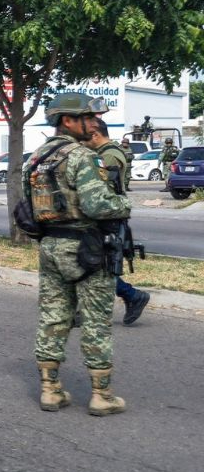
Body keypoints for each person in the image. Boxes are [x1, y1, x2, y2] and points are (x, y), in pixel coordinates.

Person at [23, 92, 131, 416]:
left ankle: (50, 390)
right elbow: (98, 204)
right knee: (96, 321)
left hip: (50, 247)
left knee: (53, 317)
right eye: (88, 118)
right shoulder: (83, 156)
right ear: (68, 121)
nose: (93, 123)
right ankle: (101, 395)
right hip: (86, 248)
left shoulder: (36, 158)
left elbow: (26, 210)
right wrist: (125, 203)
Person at [82, 113, 150, 326]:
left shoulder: (109, 155)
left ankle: (131, 295)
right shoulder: (103, 153)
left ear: (94, 134)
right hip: (103, 214)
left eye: (84, 137)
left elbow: (101, 187)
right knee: (92, 263)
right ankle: (129, 295)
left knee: (97, 264)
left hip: (108, 216)